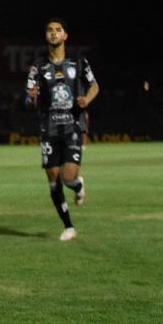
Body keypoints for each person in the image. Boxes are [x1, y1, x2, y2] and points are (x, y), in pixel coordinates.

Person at [26, 18, 99, 241]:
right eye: (49, 30)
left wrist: (86, 99)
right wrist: (32, 98)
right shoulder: (37, 67)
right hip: (48, 128)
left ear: (65, 36)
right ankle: (68, 226)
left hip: (73, 125)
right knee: (52, 177)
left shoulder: (79, 63)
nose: (53, 33)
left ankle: (77, 186)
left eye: (58, 30)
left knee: (68, 177)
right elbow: (29, 96)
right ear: (46, 36)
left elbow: (95, 85)